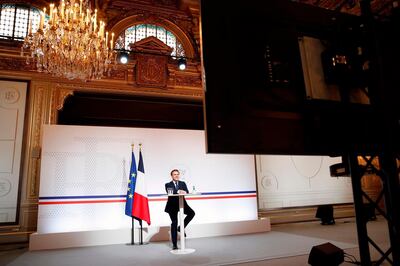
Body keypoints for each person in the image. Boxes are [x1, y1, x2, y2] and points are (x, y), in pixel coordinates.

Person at [164, 169, 195, 250]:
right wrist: (179, 191)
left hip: (182, 204)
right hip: (172, 205)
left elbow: (186, 191)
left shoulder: (182, 183)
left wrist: (181, 191)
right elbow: (171, 191)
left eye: (177, 174)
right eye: (174, 174)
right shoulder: (168, 184)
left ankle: (180, 227)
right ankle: (174, 244)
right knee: (174, 222)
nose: (176, 175)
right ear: (172, 176)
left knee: (192, 213)